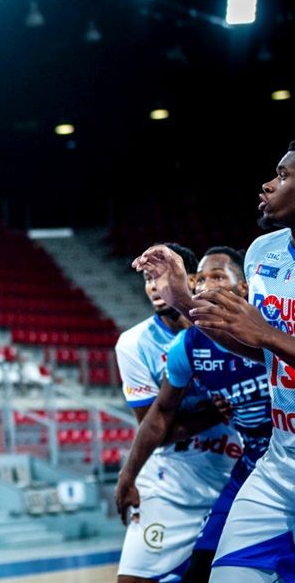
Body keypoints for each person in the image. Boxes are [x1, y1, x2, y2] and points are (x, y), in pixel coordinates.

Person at [134, 142, 295, 582]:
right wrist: (183, 300)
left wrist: (268, 334)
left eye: (283, 176)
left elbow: (266, 339)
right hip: (280, 464)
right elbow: (261, 350)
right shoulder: (264, 252)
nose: (268, 184)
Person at [115, 247, 272, 582]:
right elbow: (158, 415)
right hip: (245, 470)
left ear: (244, 287)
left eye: (217, 276)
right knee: (204, 569)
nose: (207, 284)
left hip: (256, 463)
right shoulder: (187, 346)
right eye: (202, 279)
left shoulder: (270, 325)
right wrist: (128, 474)